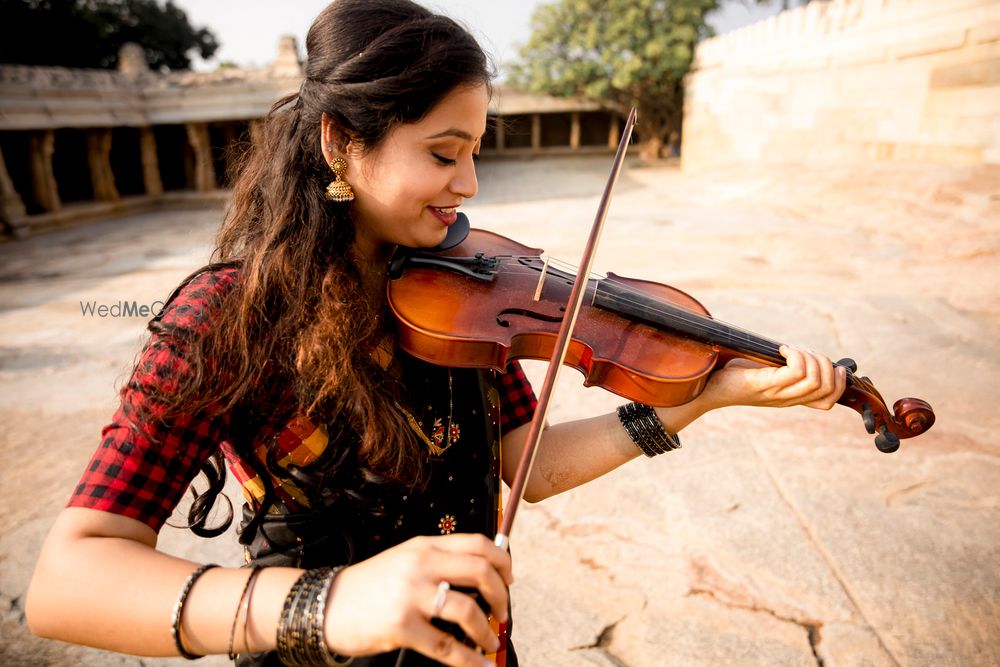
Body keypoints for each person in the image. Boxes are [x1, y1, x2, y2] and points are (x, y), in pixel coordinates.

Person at [24, 1, 847, 666]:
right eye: (444, 154)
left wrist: (696, 403)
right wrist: (333, 601)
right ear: (341, 144)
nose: (472, 183)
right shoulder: (228, 319)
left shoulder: (469, 292)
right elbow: (71, 578)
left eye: (476, 151)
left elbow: (529, 464)